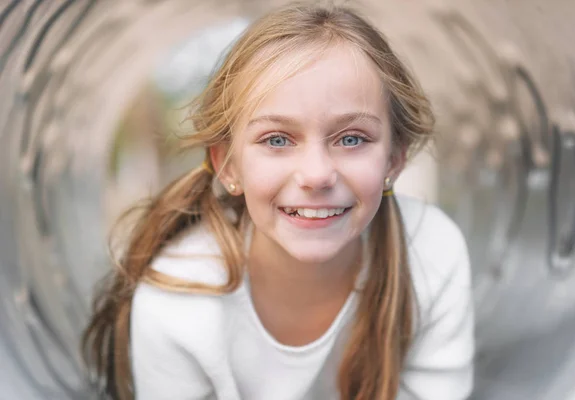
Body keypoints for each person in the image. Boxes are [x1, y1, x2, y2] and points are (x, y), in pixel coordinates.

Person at [81, 2, 474, 399]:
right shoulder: (180, 298)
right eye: (277, 140)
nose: (317, 174)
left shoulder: (432, 256)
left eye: (351, 138)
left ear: (394, 158)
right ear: (228, 165)